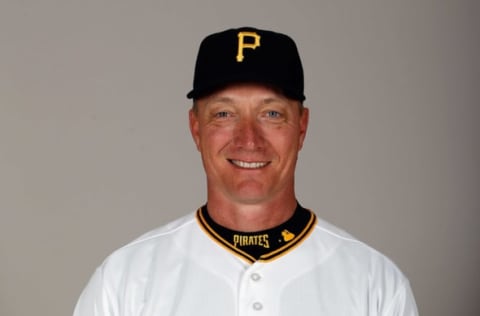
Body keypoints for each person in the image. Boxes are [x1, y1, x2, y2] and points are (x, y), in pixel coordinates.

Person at [73, 26, 418, 316]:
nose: (249, 139)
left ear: (302, 128)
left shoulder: (376, 284)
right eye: (224, 114)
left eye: (272, 114)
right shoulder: (125, 280)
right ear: (196, 129)